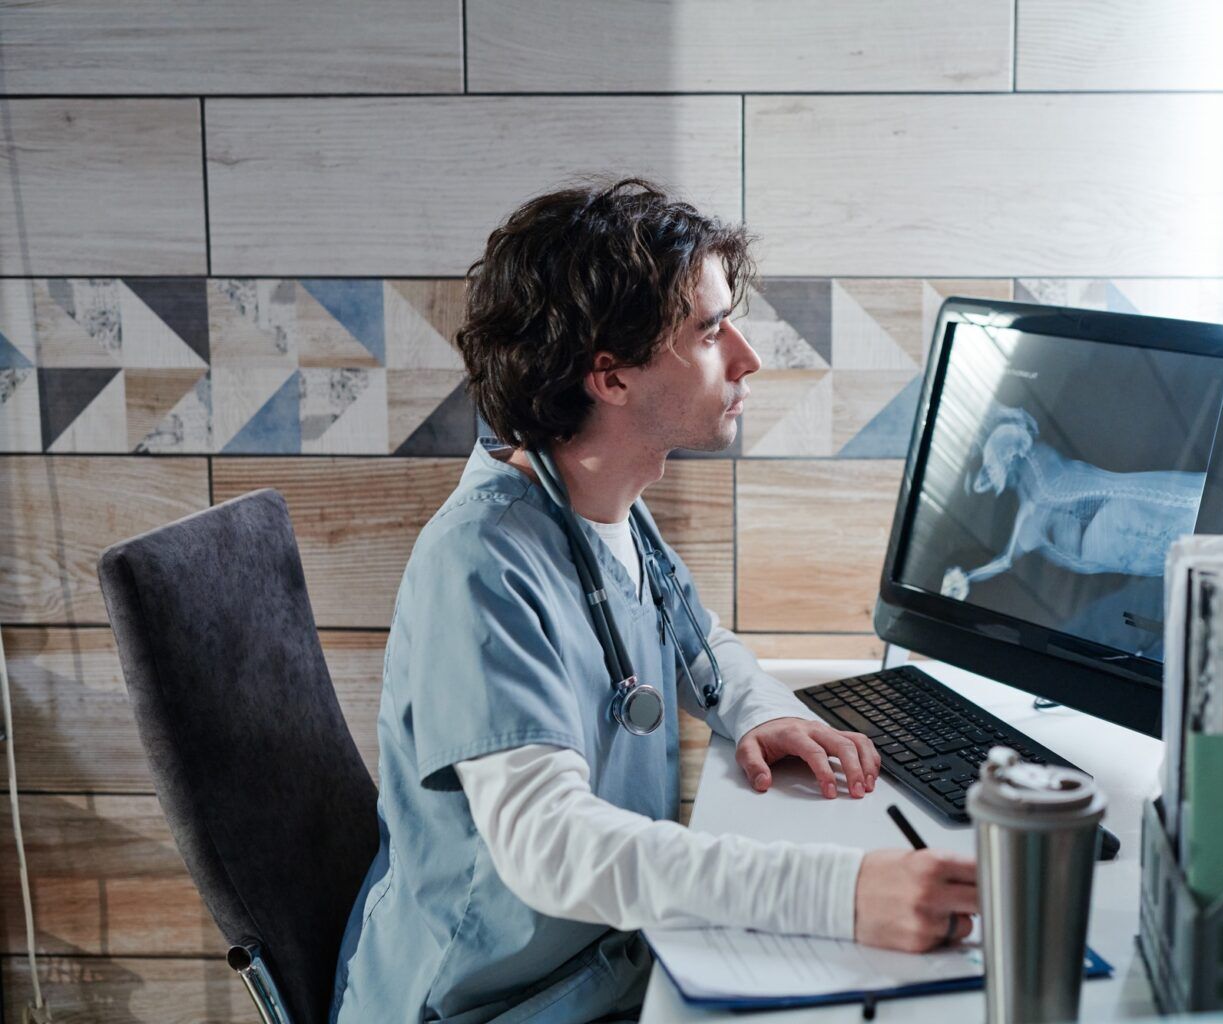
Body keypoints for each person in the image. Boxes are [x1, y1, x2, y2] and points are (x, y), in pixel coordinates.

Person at [328, 178, 978, 1024]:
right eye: (710, 330)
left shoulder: (601, 506)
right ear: (611, 376)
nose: (746, 357)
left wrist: (754, 707)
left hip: (597, 965)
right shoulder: (481, 563)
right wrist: (840, 892)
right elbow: (547, 846)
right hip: (481, 1000)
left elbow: (692, 634)